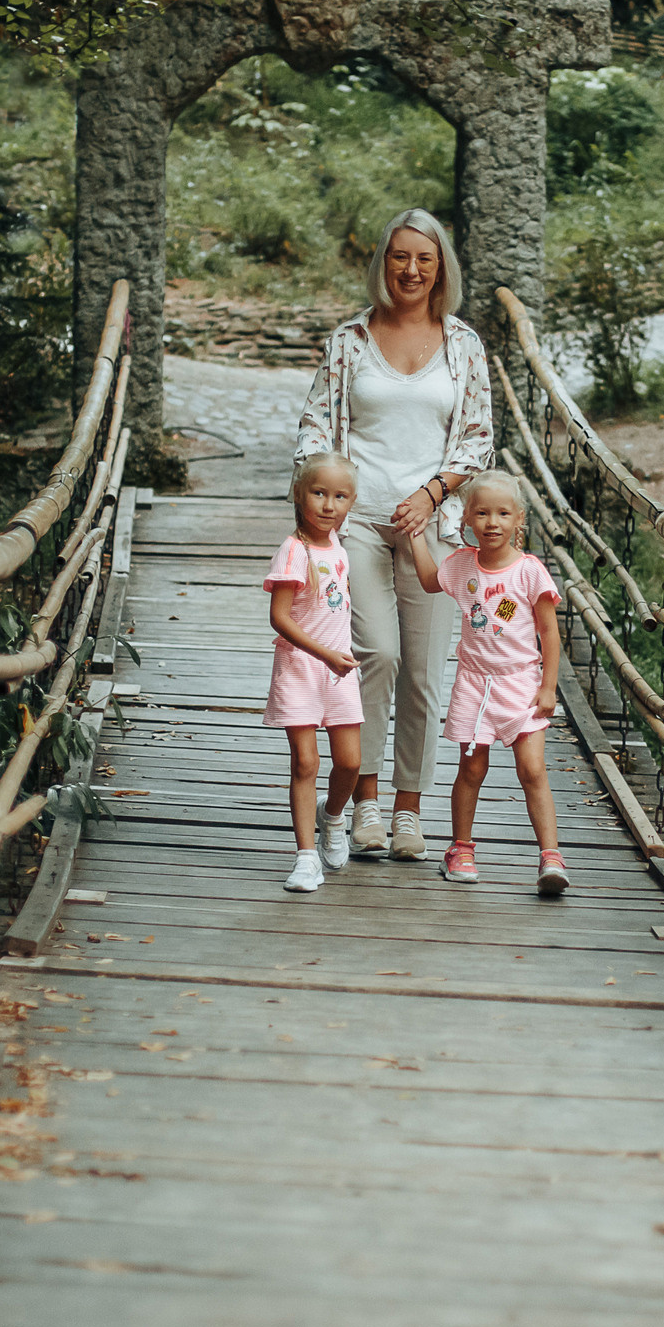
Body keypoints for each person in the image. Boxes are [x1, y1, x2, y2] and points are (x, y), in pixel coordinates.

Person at [293, 208, 494, 862]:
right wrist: (329, 504)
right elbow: (315, 430)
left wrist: (433, 493)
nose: (410, 269)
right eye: (399, 256)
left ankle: (410, 807)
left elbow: (478, 440)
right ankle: (368, 801)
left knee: (425, 673)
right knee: (375, 654)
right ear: (384, 261)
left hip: (434, 531)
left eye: (424, 259)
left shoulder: (463, 344)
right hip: (357, 525)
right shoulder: (350, 339)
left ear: (442, 269)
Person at [407, 471, 568, 897]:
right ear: (467, 520)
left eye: (502, 513)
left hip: (520, 683)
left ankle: (550, 856)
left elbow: (550, 633)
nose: (492, 522)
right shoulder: (462, 565)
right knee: (472, 768)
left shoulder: (530, 572)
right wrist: (415, 538)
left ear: (519, 520)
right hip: (474, 685)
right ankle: (460, 849)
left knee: (532, 769)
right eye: (481, 513)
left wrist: (548, 687)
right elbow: (428, 581)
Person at [263, 454, 364, 892]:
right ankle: (306, 857)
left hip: (337, 669)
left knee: (351, 763)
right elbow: (280, 618)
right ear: (298, 495)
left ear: (351, 503)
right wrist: (324, 653)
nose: (328, 505)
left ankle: (333, 815)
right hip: (302, 667)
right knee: (306, 762)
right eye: (318, 493)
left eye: (340, 496)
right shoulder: (294, 550)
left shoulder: (337, 544)